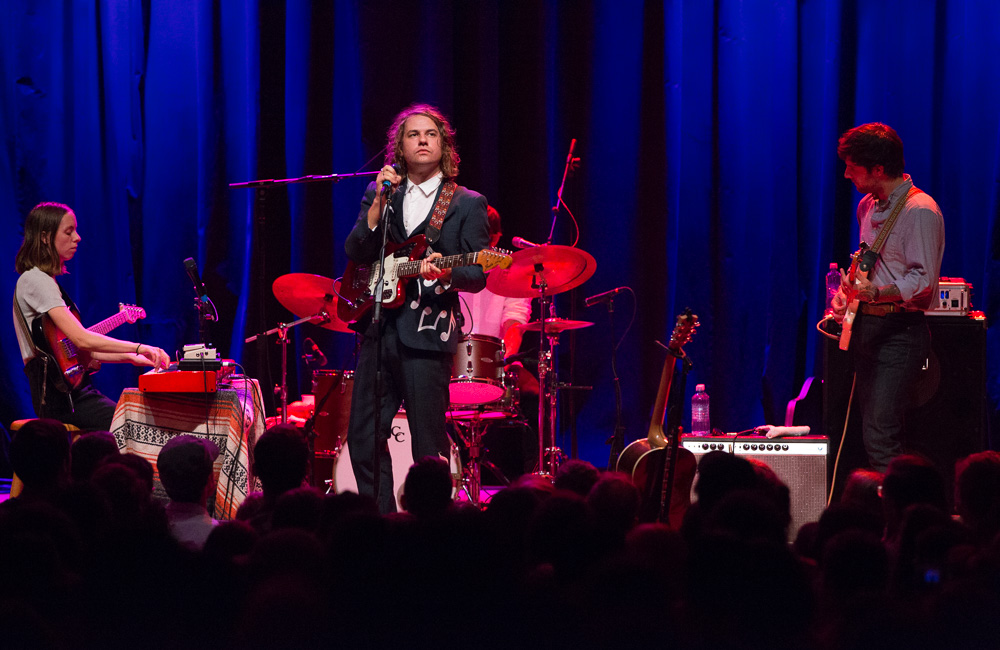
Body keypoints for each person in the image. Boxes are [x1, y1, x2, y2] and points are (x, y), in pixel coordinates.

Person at [344, 104, 489, 513]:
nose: (422, 140)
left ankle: (433, 528)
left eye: (431, 134)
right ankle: (384, 522)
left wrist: (441, 275)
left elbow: (477, 273)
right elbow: (356, 250)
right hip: (378, 329)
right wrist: (374, 209)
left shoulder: (465, 202)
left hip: (427, 332)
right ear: (400, 146)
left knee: (429, 445)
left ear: (443, 145)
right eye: (413, 134)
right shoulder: (381, 193)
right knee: (364, 436)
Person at [831, 123, 945, 473]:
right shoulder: (868, 206)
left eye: (853, 166)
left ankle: (902, 519)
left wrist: (877, 293)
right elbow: (868, 262)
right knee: (870, 433)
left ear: (878, 169)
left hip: (899, 332)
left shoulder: (919, 210)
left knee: (881, 435)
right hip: (867, 329)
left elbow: (923, 281)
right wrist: (846, 291)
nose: (847, 173)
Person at [13, 202, 170, 430]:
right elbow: (82, 340)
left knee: (135, 418)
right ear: (45, 238)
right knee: (135, 425)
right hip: (61, 401)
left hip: (73, 394)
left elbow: (75, 351)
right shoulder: (36, 280)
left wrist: (130, 357)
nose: (78, 238)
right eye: (69, 232)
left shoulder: (45, 281)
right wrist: (138, 347)